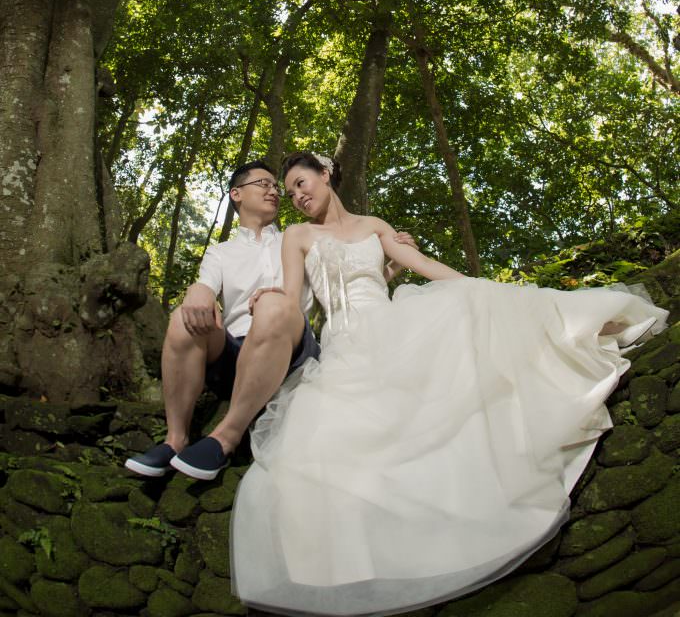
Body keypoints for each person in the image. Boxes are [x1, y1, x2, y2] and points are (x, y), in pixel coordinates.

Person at [231, 151, 667, 617]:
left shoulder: (375, 226)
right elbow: (297, 302)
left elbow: (421, 264)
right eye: (291, 190)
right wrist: (271, 296)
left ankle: (578, 333)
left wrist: (482, 290)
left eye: (303, 182)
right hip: (345, 345)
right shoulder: (297, 235)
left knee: (461, 349)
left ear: (326, 175)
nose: (297, 195)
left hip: (394, 325)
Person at [126, 159, 414, 481]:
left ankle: (225, 438)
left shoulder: (302, 237)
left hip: (290, 345)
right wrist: (198, 289)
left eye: (277, 187)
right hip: (235, 351)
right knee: (182, 318)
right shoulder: (221, 253)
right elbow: (205, 287)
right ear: (236, 194)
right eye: (263, 184)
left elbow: (342, 285)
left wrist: (391, 266)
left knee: (273, 305)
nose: (274, 191)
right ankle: (175, 439)